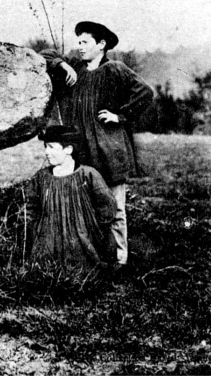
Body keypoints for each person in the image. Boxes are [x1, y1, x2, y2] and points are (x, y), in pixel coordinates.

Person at [40, 21, 153, 266]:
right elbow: (44, 55)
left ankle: (119, 259)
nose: (79, 47)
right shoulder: (75, 70)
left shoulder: (115, 69)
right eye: (77, 42)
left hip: (109, 150)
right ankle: (91, 257)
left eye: (85, 42)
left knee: (115, 208)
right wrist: (61, 64)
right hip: (82, 151)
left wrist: (120, 116)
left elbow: (145, 92)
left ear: (101, 45)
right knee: (85, 206)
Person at [28, 126, 117, 269]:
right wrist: (36, 230)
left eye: (51, 147)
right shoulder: (42, 177)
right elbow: (30, 205)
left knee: (84, 269)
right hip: (49, 239)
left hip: (82, 238)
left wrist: (93, 225)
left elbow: (107, 204)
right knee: (45, 269)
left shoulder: (87, 174)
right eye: (45, 147)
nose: (46, 152)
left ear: (68, 149)